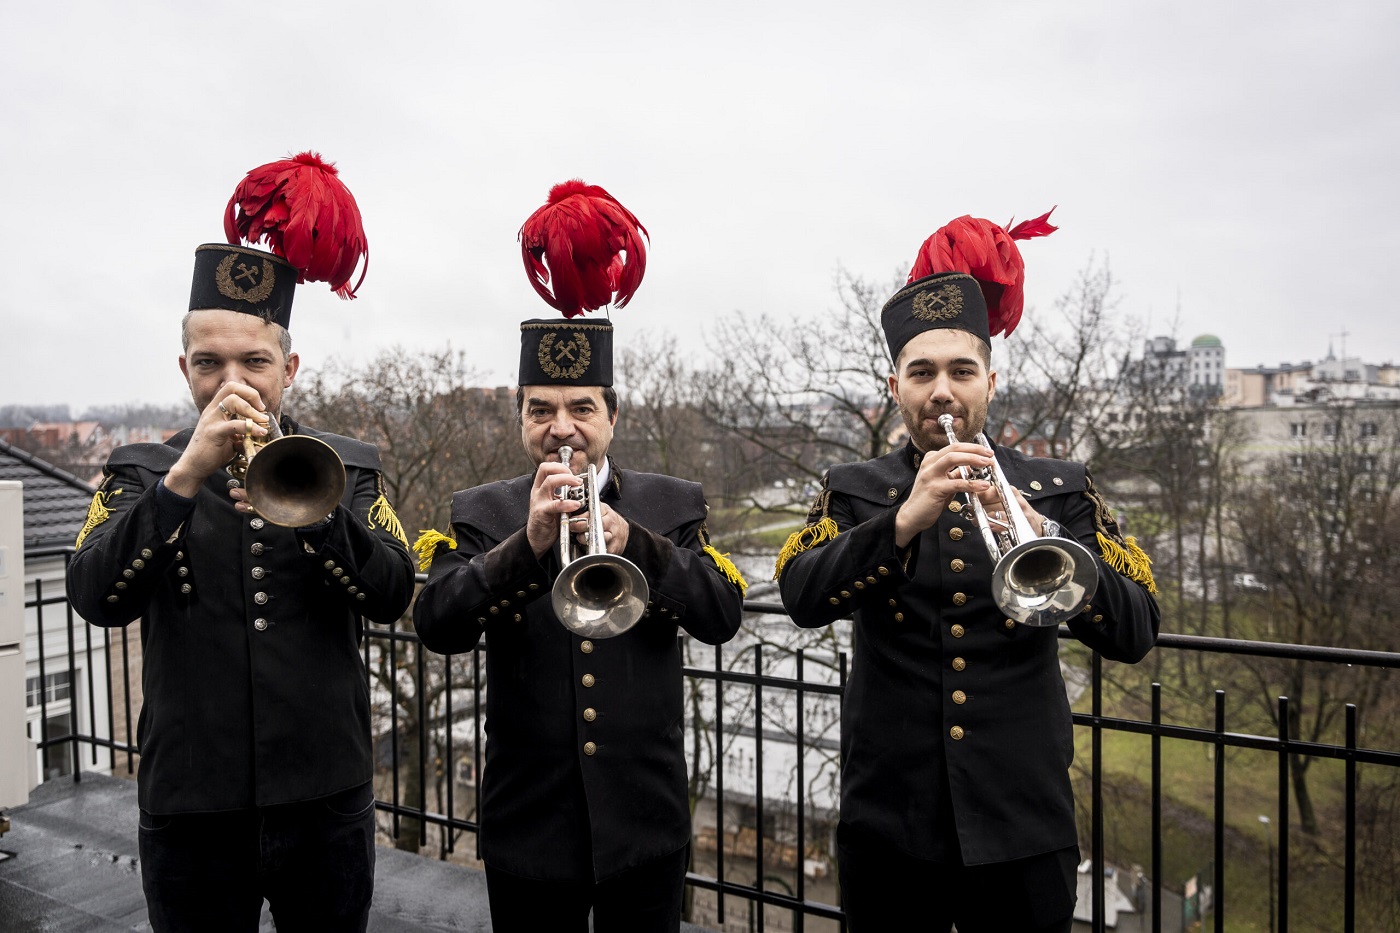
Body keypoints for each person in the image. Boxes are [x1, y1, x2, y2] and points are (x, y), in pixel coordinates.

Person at [775, 211, 1160, 933]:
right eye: (922, 373)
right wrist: (899, 522)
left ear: (991, 379)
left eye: (961, 371)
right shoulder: (856, 488)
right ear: (896, 384)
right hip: (890, 823)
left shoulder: (1058, 487)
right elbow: (800, 593)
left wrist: (1040, 530)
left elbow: (1137, 629)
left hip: (1022, 822)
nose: (942, 391)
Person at [67, 153, 415, 933]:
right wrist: (183, 477)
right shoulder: (139, 472)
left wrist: (318, 508)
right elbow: (94, 594)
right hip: (191, 807)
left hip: (324, 798)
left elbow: (395, 590)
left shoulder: (348, 468)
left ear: (288, 368)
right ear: (183, 368)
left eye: (255, 361)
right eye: (210, 362)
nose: (235, 380)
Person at [413, 178, 745, 933]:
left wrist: (641, 545)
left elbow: (723, 614)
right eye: (542, 409)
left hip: (644, 821)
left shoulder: (672, 503)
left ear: (613, 415)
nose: (562, 428)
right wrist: (525, 546)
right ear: (521, 414)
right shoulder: (480, 511)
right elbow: (437, 622)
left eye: (581, 407)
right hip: (530, 826)